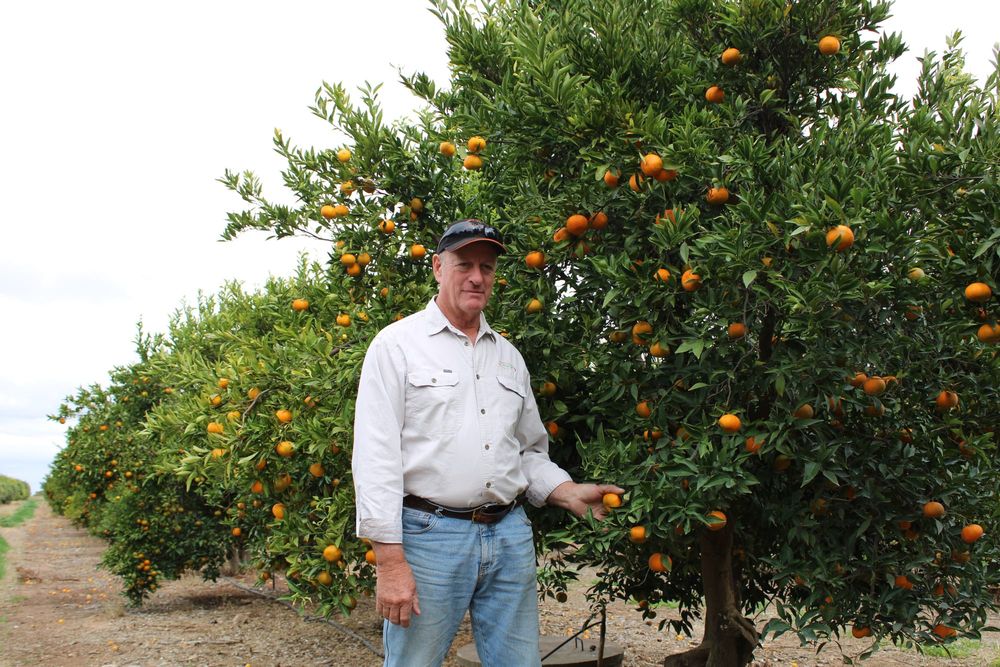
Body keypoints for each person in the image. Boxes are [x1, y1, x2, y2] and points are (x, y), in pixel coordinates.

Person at [352, 219, 623, 667]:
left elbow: (528, 451)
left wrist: (566, 491)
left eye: (487, 266)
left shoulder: (509, 357)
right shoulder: (396, 346)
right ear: (438, 267)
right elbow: (375, 458)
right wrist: (390, 562)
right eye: (464, 264)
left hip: (510, 534)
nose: (477, 276)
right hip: (429, 536)